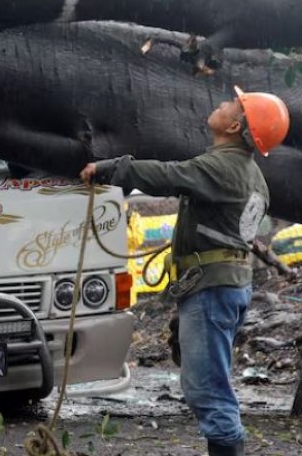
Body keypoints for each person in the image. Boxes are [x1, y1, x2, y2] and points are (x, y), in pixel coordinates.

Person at [80, 86, 290, 456]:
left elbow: (170, 175)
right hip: (225, 285)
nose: (223, 104)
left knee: (207, 388)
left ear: (236, 123)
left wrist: (111, 169)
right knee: (208, 383)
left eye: (232, 104)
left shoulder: (223, 168)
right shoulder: (251, 173)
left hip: (213, 290)